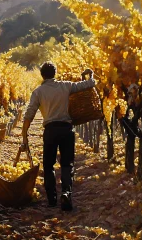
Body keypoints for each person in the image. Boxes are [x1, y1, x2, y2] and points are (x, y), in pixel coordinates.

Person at [22, 61, 95, 211]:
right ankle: (67, 193)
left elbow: (29, 114)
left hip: (50, 131)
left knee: (48, 165)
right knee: (67, 164)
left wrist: (24, 134)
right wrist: (91, 76)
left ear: (42, 75)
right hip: (66, 130)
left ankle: (52, 199)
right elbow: (88, 85)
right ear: (55, 73)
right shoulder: (66, 85)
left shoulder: (38, 92)